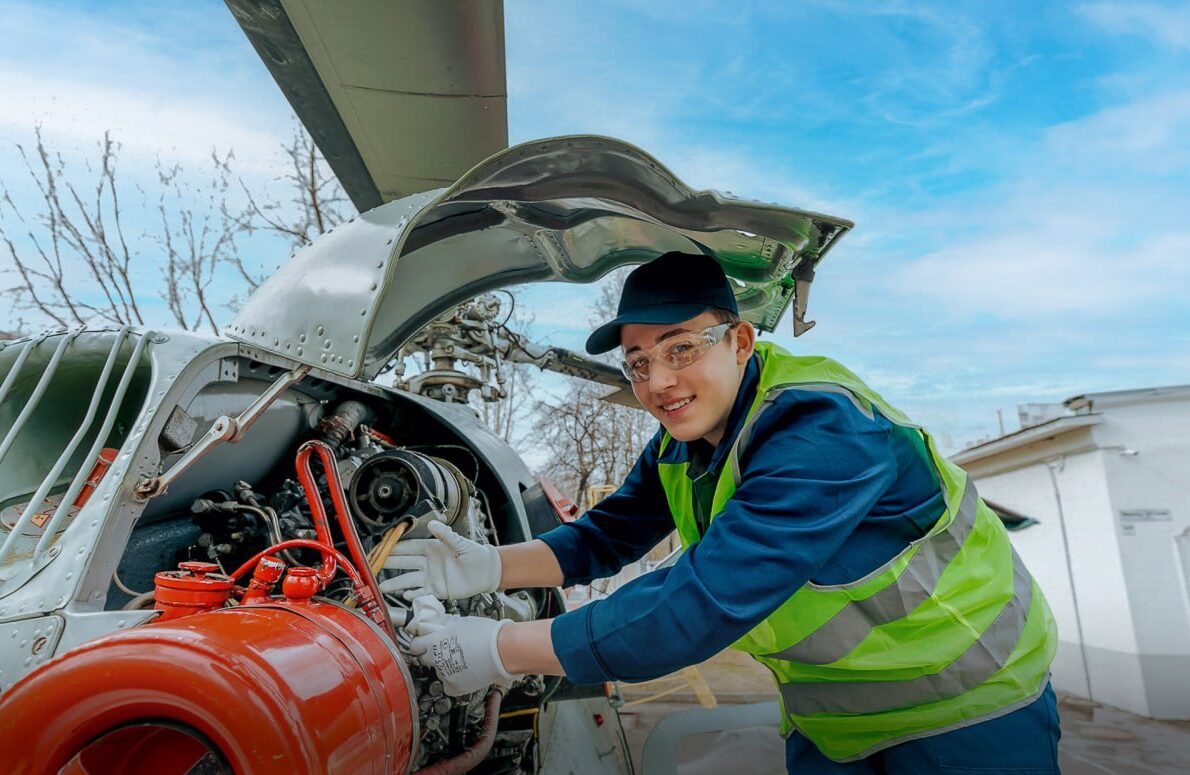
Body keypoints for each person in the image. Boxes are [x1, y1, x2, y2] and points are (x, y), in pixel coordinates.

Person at [384, 251, 1062, 773]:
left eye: (682, 348)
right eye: (638, 361)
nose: (657, 382)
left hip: (967, 710)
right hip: (833, 722)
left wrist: (497, 651)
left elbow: (696, 604)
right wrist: (485, 566)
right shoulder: (688, 442)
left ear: (740, 340)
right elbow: (609, 534)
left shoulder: (821, 432)